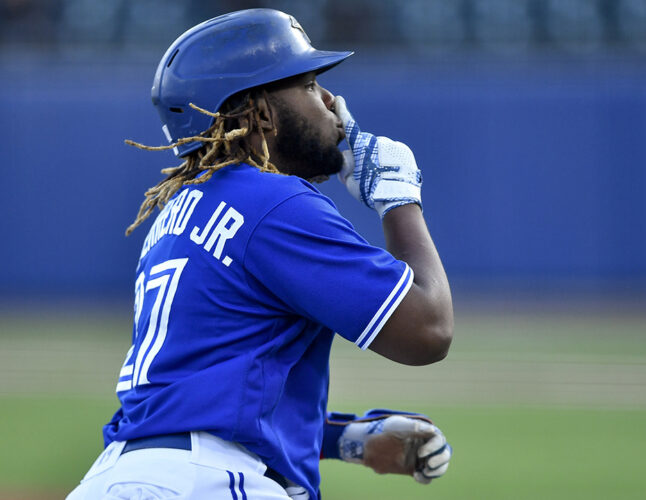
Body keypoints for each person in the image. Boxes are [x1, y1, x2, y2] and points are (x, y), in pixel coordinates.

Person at [67, 8, 454, 500]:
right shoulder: (275, 204)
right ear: (263, 112)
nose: (331, 102)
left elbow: (199, 396)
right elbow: (428, 330)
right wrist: (399, 198)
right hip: (209, 483)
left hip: (121, 477)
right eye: (310, 84)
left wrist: (348, 441)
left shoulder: (178, 212)